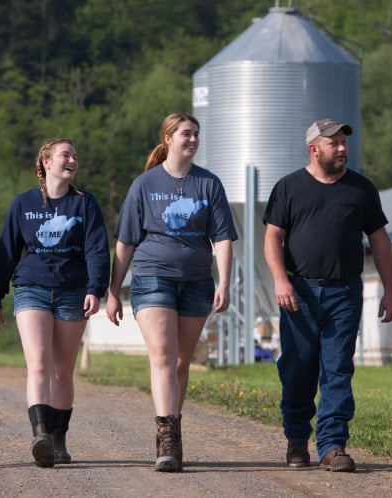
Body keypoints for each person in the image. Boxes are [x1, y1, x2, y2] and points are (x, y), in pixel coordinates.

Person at [262, 118, 392, 472]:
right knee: (298, 369)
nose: (342, 148)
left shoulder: (361, 189)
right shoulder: (289, 188)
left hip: (345, 292)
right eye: (333, 143)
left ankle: (333, 445)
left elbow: (380, 240)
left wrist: (390, 291)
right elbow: (272, 238)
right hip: (300, 293)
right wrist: (280, 280)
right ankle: (296, 438)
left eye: (343, 142)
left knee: (337, 369)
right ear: (314, 149)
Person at [106, 112, 237, 472]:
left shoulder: (208, 184)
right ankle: (168, 440)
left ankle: (171, 424)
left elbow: (223, 237)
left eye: (196, 134)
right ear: (168, 139)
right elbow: (125, 242)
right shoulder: (144, 185)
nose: (192, 139)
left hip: (197, 280)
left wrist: (224, 282)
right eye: (185, 133)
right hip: (152, 277)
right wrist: (113, 290)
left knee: (181, 361)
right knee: (163, 354)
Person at [0, 138, 109, 468]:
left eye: (75, 155)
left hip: (73, 291)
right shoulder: (23, 203)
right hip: (32, 288)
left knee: (63, 371)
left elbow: (97, 249)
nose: (72, 160)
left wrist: (94, 288)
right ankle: (40, 434)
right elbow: (7, 252)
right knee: (39, 364)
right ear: (46, 162)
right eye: (65, 155)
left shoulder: (86, 204)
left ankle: (58, 438)